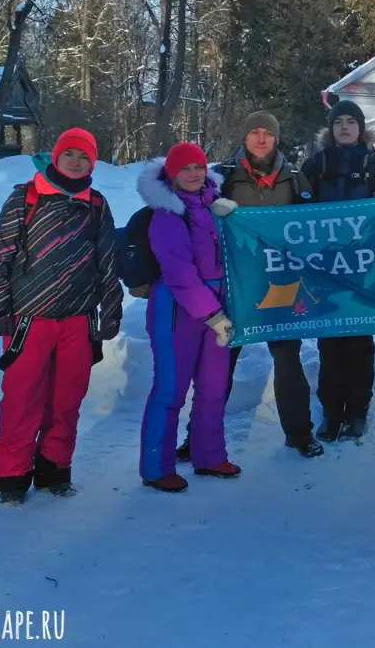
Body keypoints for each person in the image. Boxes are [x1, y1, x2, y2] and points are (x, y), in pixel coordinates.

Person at [0, 128, 123, 505]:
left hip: (78, 319)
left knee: (66, 399)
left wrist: (111, 310)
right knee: (21, 398)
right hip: (29, 319)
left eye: (84, 158)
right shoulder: (25, 198)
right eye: (69, 155)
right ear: (56, 158)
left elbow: (107, 262)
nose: (76, 163)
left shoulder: (95, 204)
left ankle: (54, 467)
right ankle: (12, 474)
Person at [179, 111, 321, 460]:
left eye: (268, 134)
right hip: (233, 286)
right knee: (219, 363)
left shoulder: (295, 179)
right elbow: (196, 216)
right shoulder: (222, 177)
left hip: (280, 286)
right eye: (254, 132)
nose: (261, 139)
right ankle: (197, 434)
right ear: (244, 138)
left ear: (276, 139)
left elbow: (312, 228)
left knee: (288, 359)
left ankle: (299, 433)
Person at [138, 143, 241, 492]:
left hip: (218, 310)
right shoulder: (168, 214)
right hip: (177, 311)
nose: (194, 174)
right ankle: (156, 466)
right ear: (172, 173)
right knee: (171, 390)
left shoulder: (216, 207)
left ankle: (209, 455)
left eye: (199, 166)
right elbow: (179, 273)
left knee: (213, 387)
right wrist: (213, 314)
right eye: (185, 169)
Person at [300, 99, 375, 442]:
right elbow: (297, 213)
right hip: (325, 268)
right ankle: (331, 413)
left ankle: (357, 412)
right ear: (331, 128)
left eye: (351, 122)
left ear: (361, 128)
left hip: (363, 269)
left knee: (360, 343)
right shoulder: (315, 165)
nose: (345, 128)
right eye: (339, 122)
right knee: (330, 341)